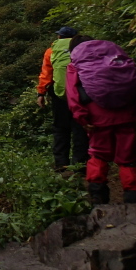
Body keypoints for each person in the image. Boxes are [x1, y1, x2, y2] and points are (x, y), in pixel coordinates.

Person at [66, 39, 136, 204]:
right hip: (126, 113)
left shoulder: (75, 65)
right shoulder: (117, 59)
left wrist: (81, 117)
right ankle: (135, 195)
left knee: (99, 153)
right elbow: (134, 83)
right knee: (128, 156)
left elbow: (73, 94)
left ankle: (98, 195)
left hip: (97, 117)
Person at [36, 27, 89, 171]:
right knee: (80, 129)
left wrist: (41, 93)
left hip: (60, 95)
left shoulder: (51, 51)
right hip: (81, 94)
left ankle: (61, 164)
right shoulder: (83, 48)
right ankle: (81, 165)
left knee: (60, 128)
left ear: (59, 37)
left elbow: (46, 74)